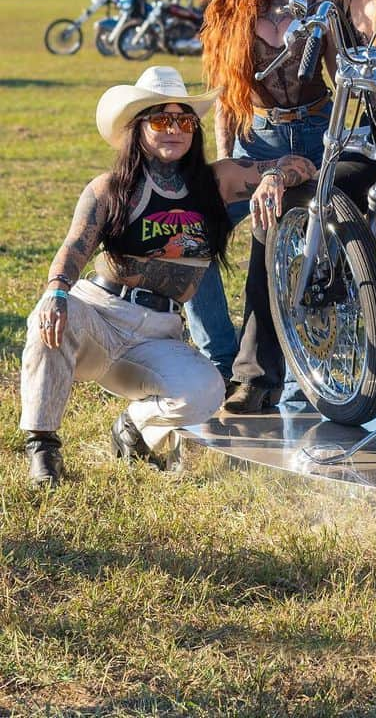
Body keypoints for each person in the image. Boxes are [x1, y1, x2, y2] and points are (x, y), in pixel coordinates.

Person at [20, 67, 315, 488]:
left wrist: (272, 178)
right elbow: (73, 248)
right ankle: (43, 449)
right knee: (47, 317)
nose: (174, 129)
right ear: (138, 129)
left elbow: (297, 163)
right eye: (161, 120)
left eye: (185, 121)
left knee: (207, 392)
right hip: (102, 314)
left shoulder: (217, 181)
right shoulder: (110, 188)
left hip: (159, 333)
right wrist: (56, 292)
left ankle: (132, 427)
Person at [197, 0, 334, 413]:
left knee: (271, 237)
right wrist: (226, 158)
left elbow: (340, 72)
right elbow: (226, 94)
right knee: (195, 230)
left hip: (317, 131)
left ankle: (261, 378)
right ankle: (222, 358)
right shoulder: (230, 3)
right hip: (260, 137)